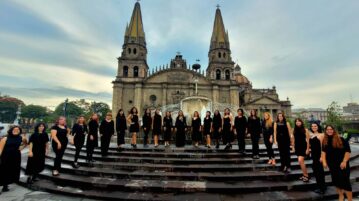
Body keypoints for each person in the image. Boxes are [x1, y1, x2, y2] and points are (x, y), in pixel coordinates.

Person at [322, 125, 352, 201]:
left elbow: (348, 151)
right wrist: (324, 162)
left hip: (342, 165)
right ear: (325, 131)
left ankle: (350, 200)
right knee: (336, 182)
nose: (329, 131)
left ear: (334, 130)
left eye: (331, 129)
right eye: (327, 129)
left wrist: (344, 161)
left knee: (346, 183)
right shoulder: (325, 140)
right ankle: (341, 196)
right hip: (332, 165)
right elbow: (323, 152)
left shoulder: (341, 139)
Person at [0, 126, 27, 192]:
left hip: (16, 157)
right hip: (5, 157)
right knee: (3, 171)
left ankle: (7, 184)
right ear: (11, 130)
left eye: (18, 130)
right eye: (14, 129)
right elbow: (0, 149)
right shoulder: (5, 138)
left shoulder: (22, 138)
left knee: (12, 170)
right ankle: (4, 186)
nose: (16, 130)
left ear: (19, 131)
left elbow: (26, 143)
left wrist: (21, 148)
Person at [309, 122, 326, 194]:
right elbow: (311, 145)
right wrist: (310, 151)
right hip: (314, 155)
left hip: (319, 156)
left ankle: (322, 188)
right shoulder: (311, 135)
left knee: (320, 172)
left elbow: (323, 147)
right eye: (312, 126)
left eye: (315, 126)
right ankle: (321, 186)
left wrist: (322, 157)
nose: (314, 127)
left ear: (318, 126)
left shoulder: (321, 135)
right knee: (316, 171)